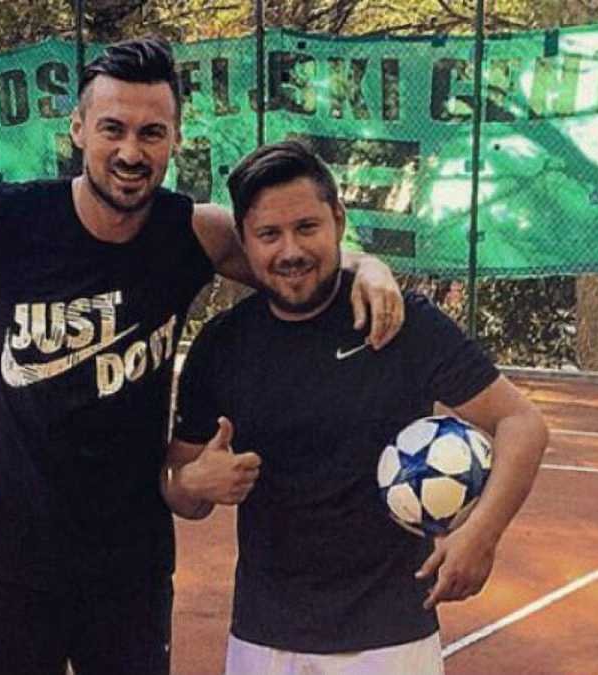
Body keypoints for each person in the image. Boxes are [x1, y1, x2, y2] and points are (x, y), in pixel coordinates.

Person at [0, 39, 406, 675]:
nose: (131, 151)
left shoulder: (192, 233)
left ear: (175, 139)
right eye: (112, 129)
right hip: (8, 559)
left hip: (129, 565)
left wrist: (368, 264)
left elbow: (289, 259)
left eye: (152, 133)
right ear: (78, 129)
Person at [162, 141, 549, 675]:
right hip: (264, 640)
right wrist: (193, 482)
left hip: (389, 639)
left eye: (307, 227)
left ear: (338, 221)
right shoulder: (221, 346)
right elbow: (180, 487)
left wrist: (482, 533)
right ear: (244, 243)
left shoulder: (398, 321)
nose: (290, 250)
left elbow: (521, 422)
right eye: (269, 235)